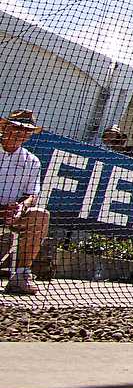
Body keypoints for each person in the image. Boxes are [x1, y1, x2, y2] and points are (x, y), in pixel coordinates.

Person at [0, 110, 50, 295]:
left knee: (41, 216)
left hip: (11, 214)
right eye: (16, 128)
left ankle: (20, 276)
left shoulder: (32, 161)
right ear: (4, 127)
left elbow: (32, 194)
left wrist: (20, 207)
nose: (20, 133)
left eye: (26, 130)